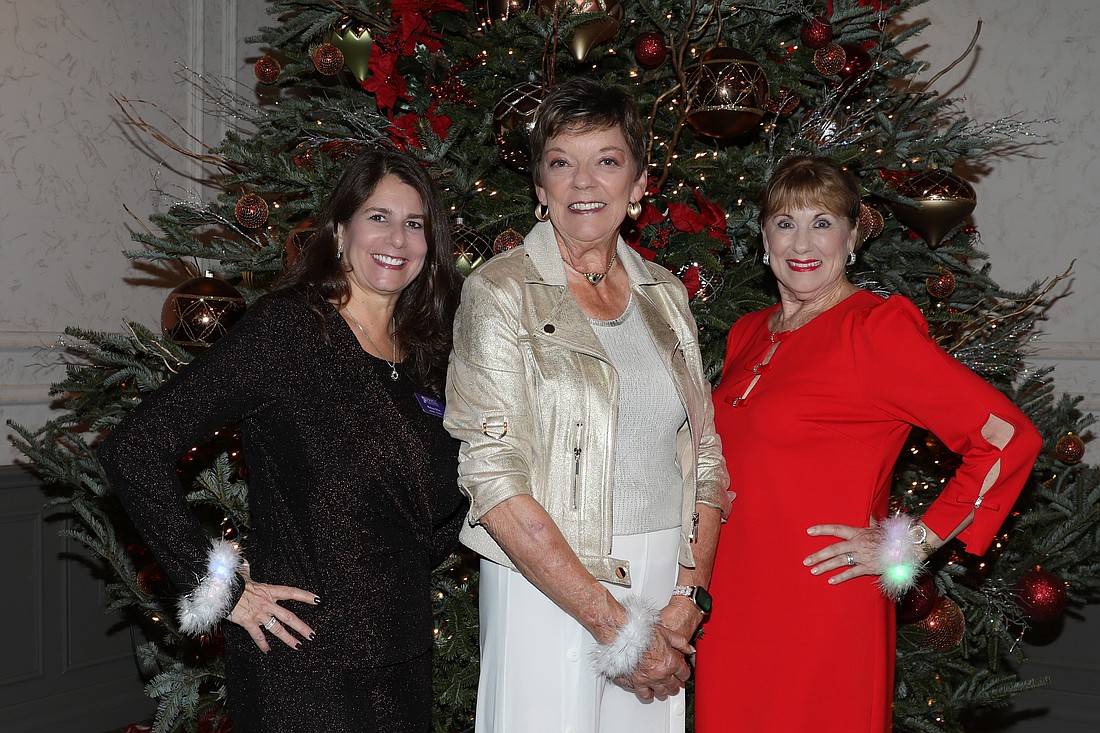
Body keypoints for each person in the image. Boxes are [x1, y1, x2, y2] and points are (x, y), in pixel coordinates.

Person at [99, 147, 466, 733]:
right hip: (303, 670)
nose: (397, 238)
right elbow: (133, 449)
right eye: (378, 217)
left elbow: (442, 503)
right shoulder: (287, 332)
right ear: (340, 229)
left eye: (415, 223)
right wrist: (218, 587)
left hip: (402, 664)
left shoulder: (427, 356)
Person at [694, 155, 1043, 732]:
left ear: (852, 237)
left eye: (823, 223)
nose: (802, 241)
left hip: (822, 601)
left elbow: (1008, 439)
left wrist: (912, 543)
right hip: (731, 599)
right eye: (785, 223)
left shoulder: (873, 332)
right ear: (763, 237)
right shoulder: (746, 333)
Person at [443, 75, 731, 733]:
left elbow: (704, 455)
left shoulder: (666, 295)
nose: (583, 183)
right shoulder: (499, 292)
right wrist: (615, 624)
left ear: (637, 183)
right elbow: (492, 480)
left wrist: (688, 598)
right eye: (561, 163)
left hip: (664, 587)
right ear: (540, 189)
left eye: (606, 161)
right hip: (547, 582)